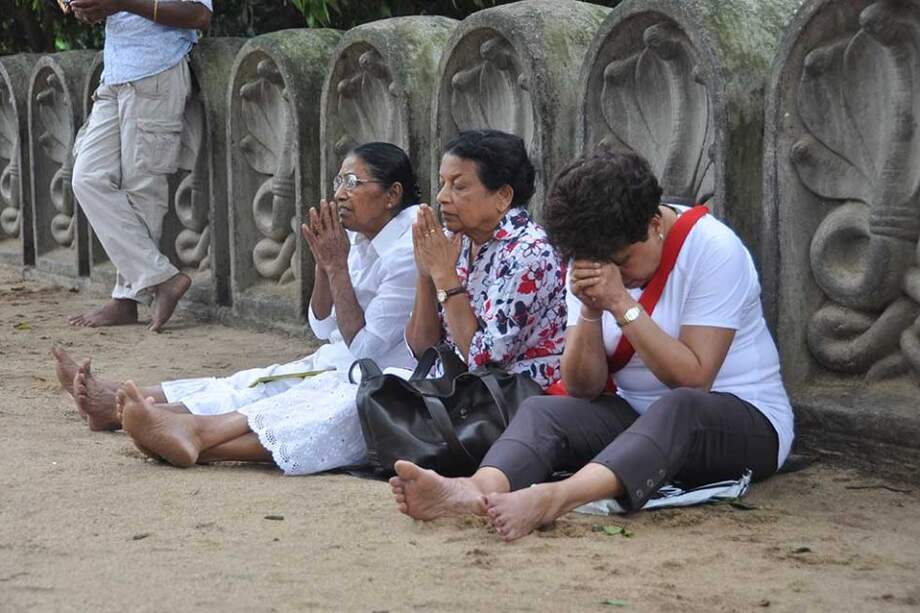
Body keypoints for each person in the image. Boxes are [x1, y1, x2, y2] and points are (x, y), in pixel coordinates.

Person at [389, 149, 794, 541]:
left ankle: (556, 498)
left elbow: (694, 378)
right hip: (637, 417)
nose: (614, 274)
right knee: (546, 410)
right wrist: (590, 312)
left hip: (743, 419)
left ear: (654, 225)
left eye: (622, 261)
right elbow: (583, 387)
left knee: (680, 406)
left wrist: (620, 302)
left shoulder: (712, 249)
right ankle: (475, 489)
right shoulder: (588, 254)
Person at [54, 142, 421, 474]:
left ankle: (161, 423)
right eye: (339, 180)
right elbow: (324, 328)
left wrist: (336, 266)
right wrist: (325, 266)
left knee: (289, 400)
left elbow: (367, 352)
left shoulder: (407, 251)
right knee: (250, 382)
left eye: (353, 182)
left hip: (379, 377)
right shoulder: (358, 234)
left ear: (392, 195)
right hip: (341, 361)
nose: (340, 194)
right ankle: (125, 404)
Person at [67, 0, 213, 331]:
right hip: (115, 75)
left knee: (142, 191)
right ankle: (163, 279)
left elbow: (199, 15)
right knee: (86, 178)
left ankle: (126, 300)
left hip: (157, 73)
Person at [405, 129, 566, 389]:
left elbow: (483, 361)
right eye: (442, 183)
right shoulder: (455, 240)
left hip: (507, 401)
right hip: (452, 390)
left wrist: (446, 278)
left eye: (458, 186)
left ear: (503, 196)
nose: (441, 197)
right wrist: (427, 274)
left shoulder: (529, 252)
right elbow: (421, 349)